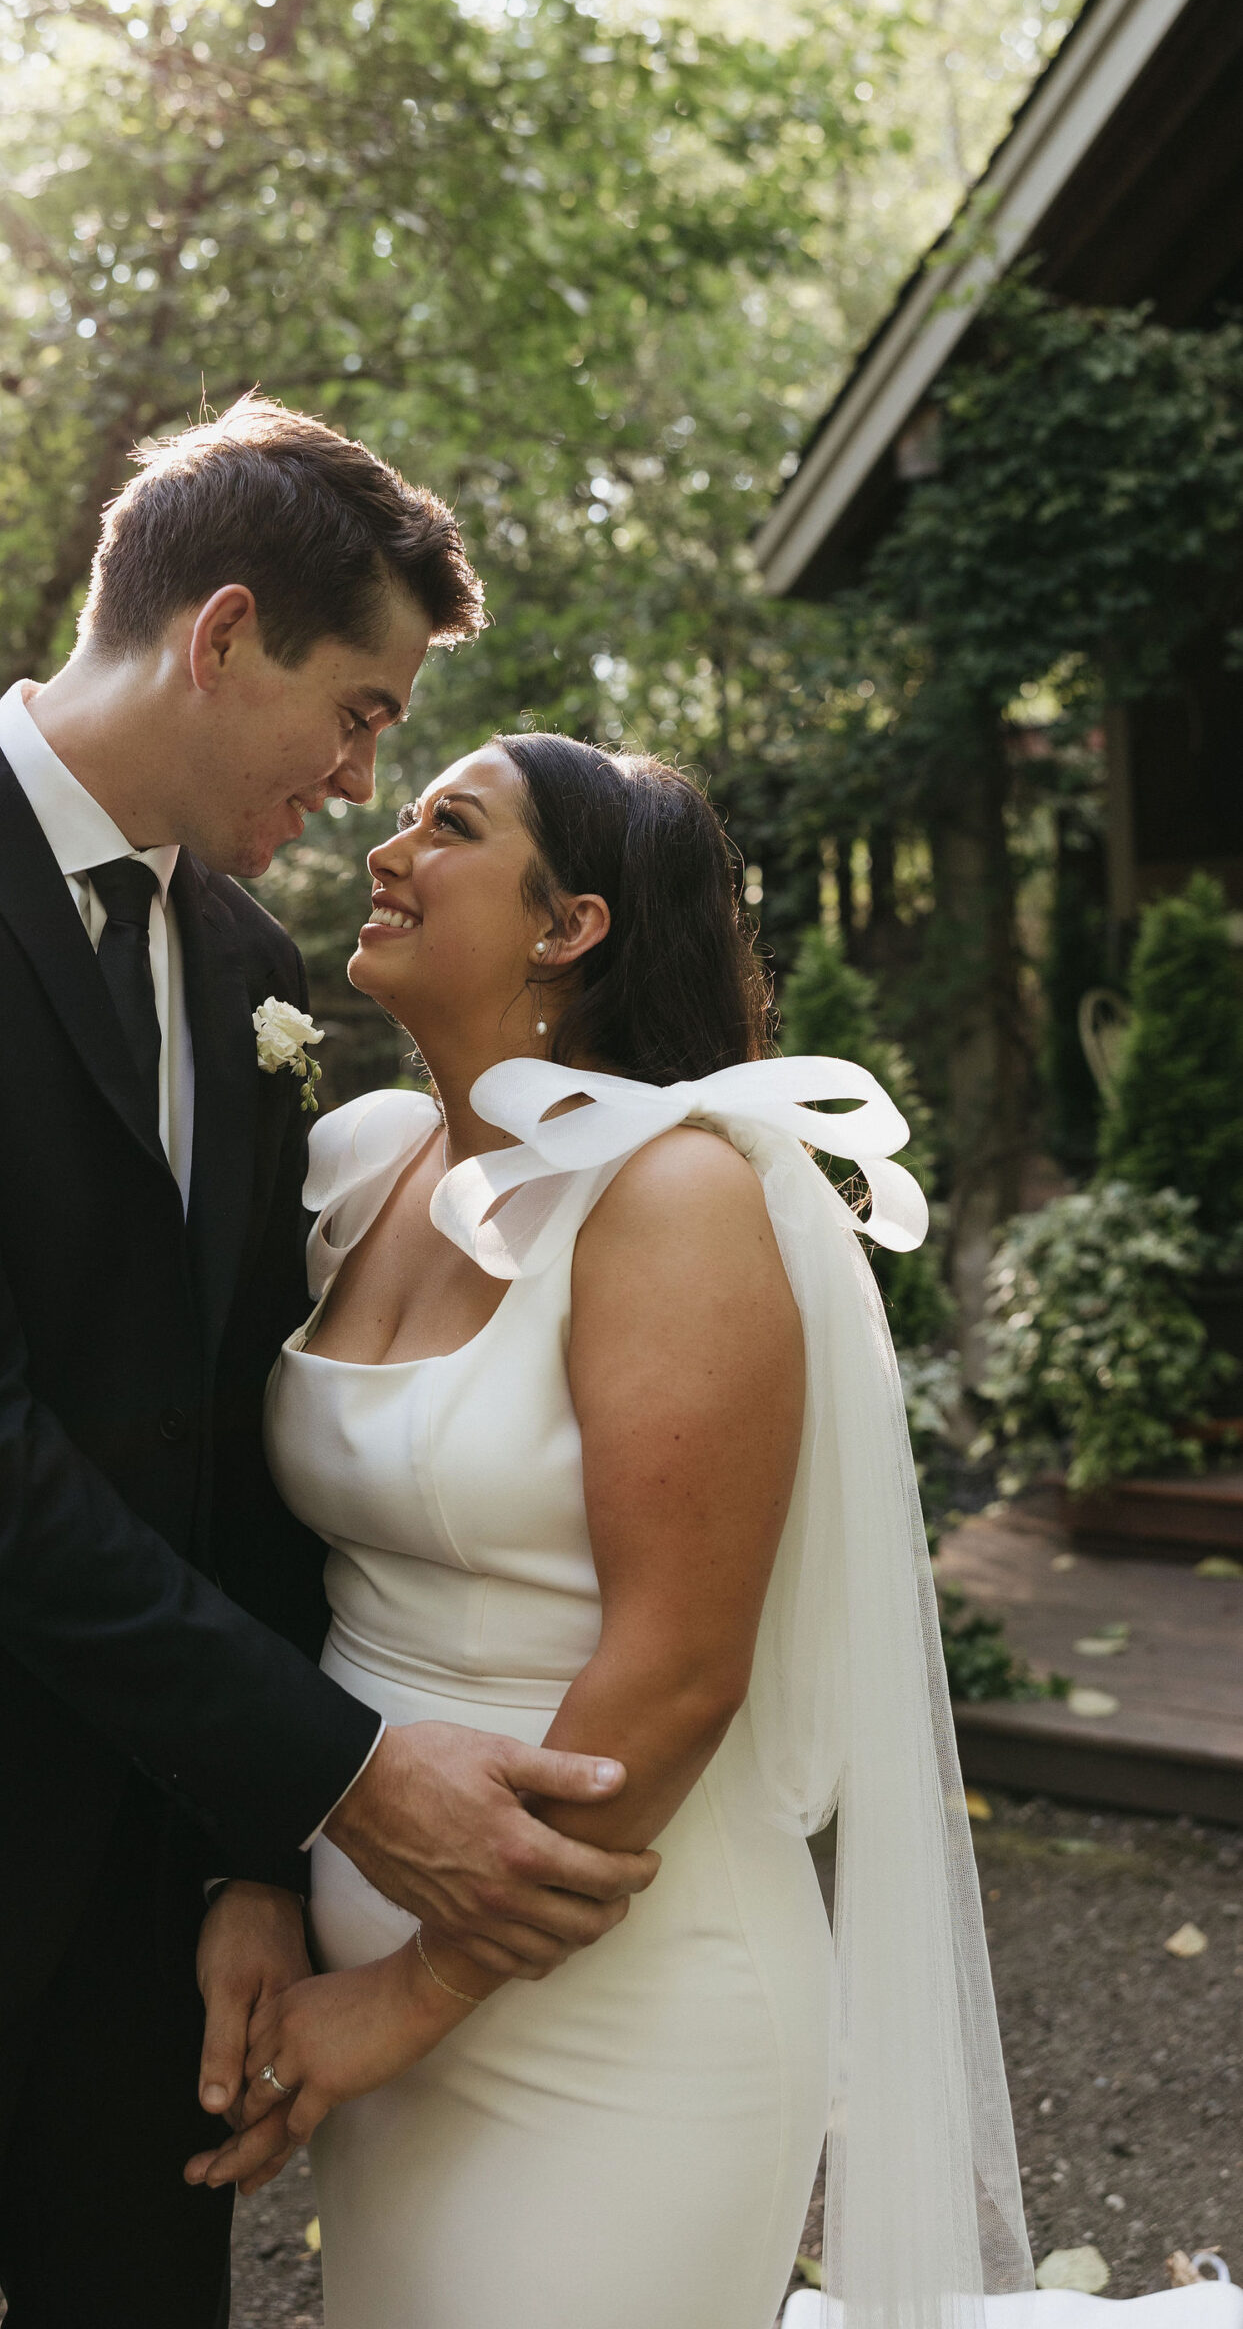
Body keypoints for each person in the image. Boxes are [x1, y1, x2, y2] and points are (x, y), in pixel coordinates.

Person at [0, 406, 656, 2329]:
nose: (360, 781)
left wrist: (247, 1857)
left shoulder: (246, 964)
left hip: (143, 1880)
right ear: (221, 633)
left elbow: (237, 1437)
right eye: (361, 710)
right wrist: (347, 1781)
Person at [189, 733, 1035, 2329]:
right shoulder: (369, 1166)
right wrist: (267, 1881)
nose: (387, 844)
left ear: (568, 925)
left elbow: (681, 1662)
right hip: (366, 1959)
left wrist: (413, 1992)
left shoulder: (673, 1195)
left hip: (616, 1998)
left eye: (450, 824)